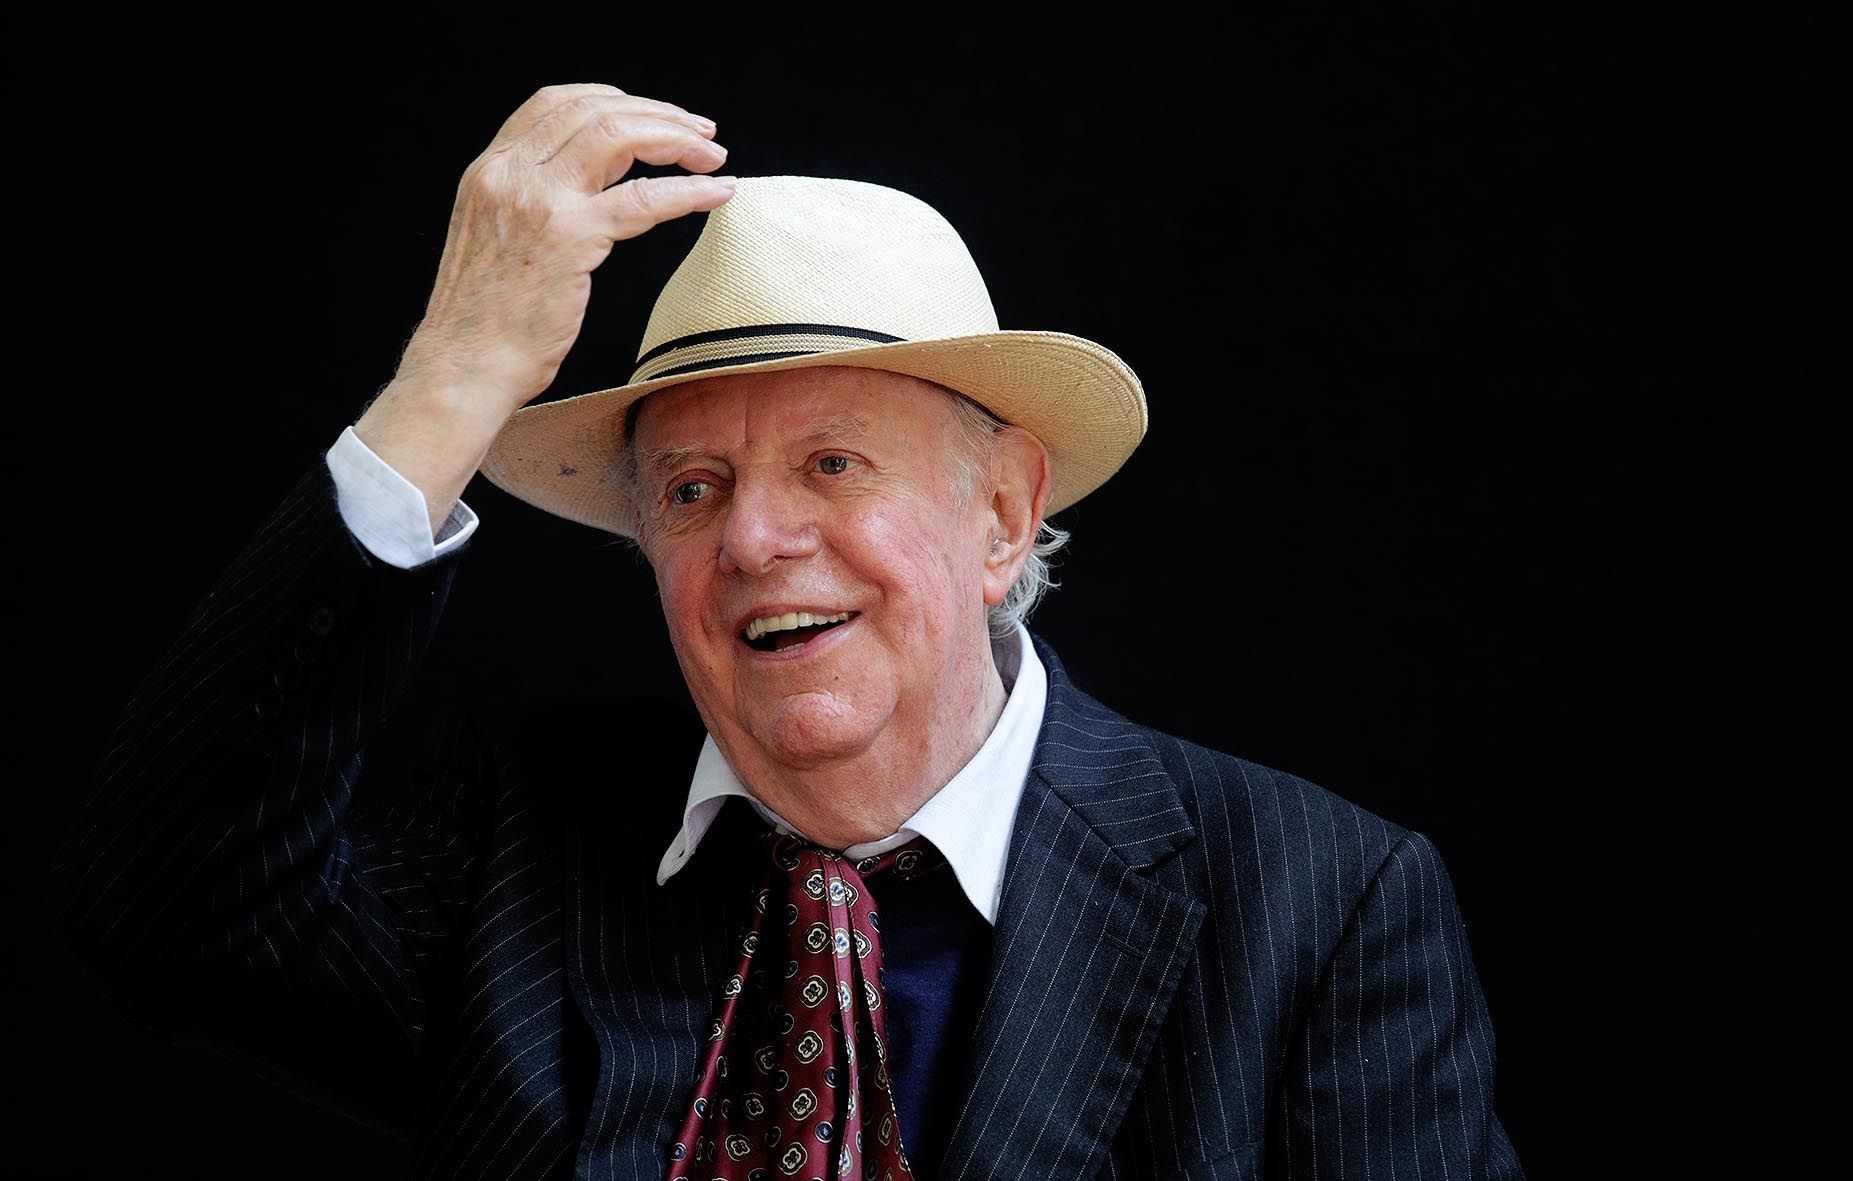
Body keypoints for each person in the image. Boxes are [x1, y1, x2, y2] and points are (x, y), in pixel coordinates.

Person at [49, 83, 1523, 1179]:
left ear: (1003, 513)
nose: (754, 541)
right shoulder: (520, 842)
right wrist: (456, 370)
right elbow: (163, 908)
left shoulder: (1318, 908)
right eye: (693, 490)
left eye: (833, 464)